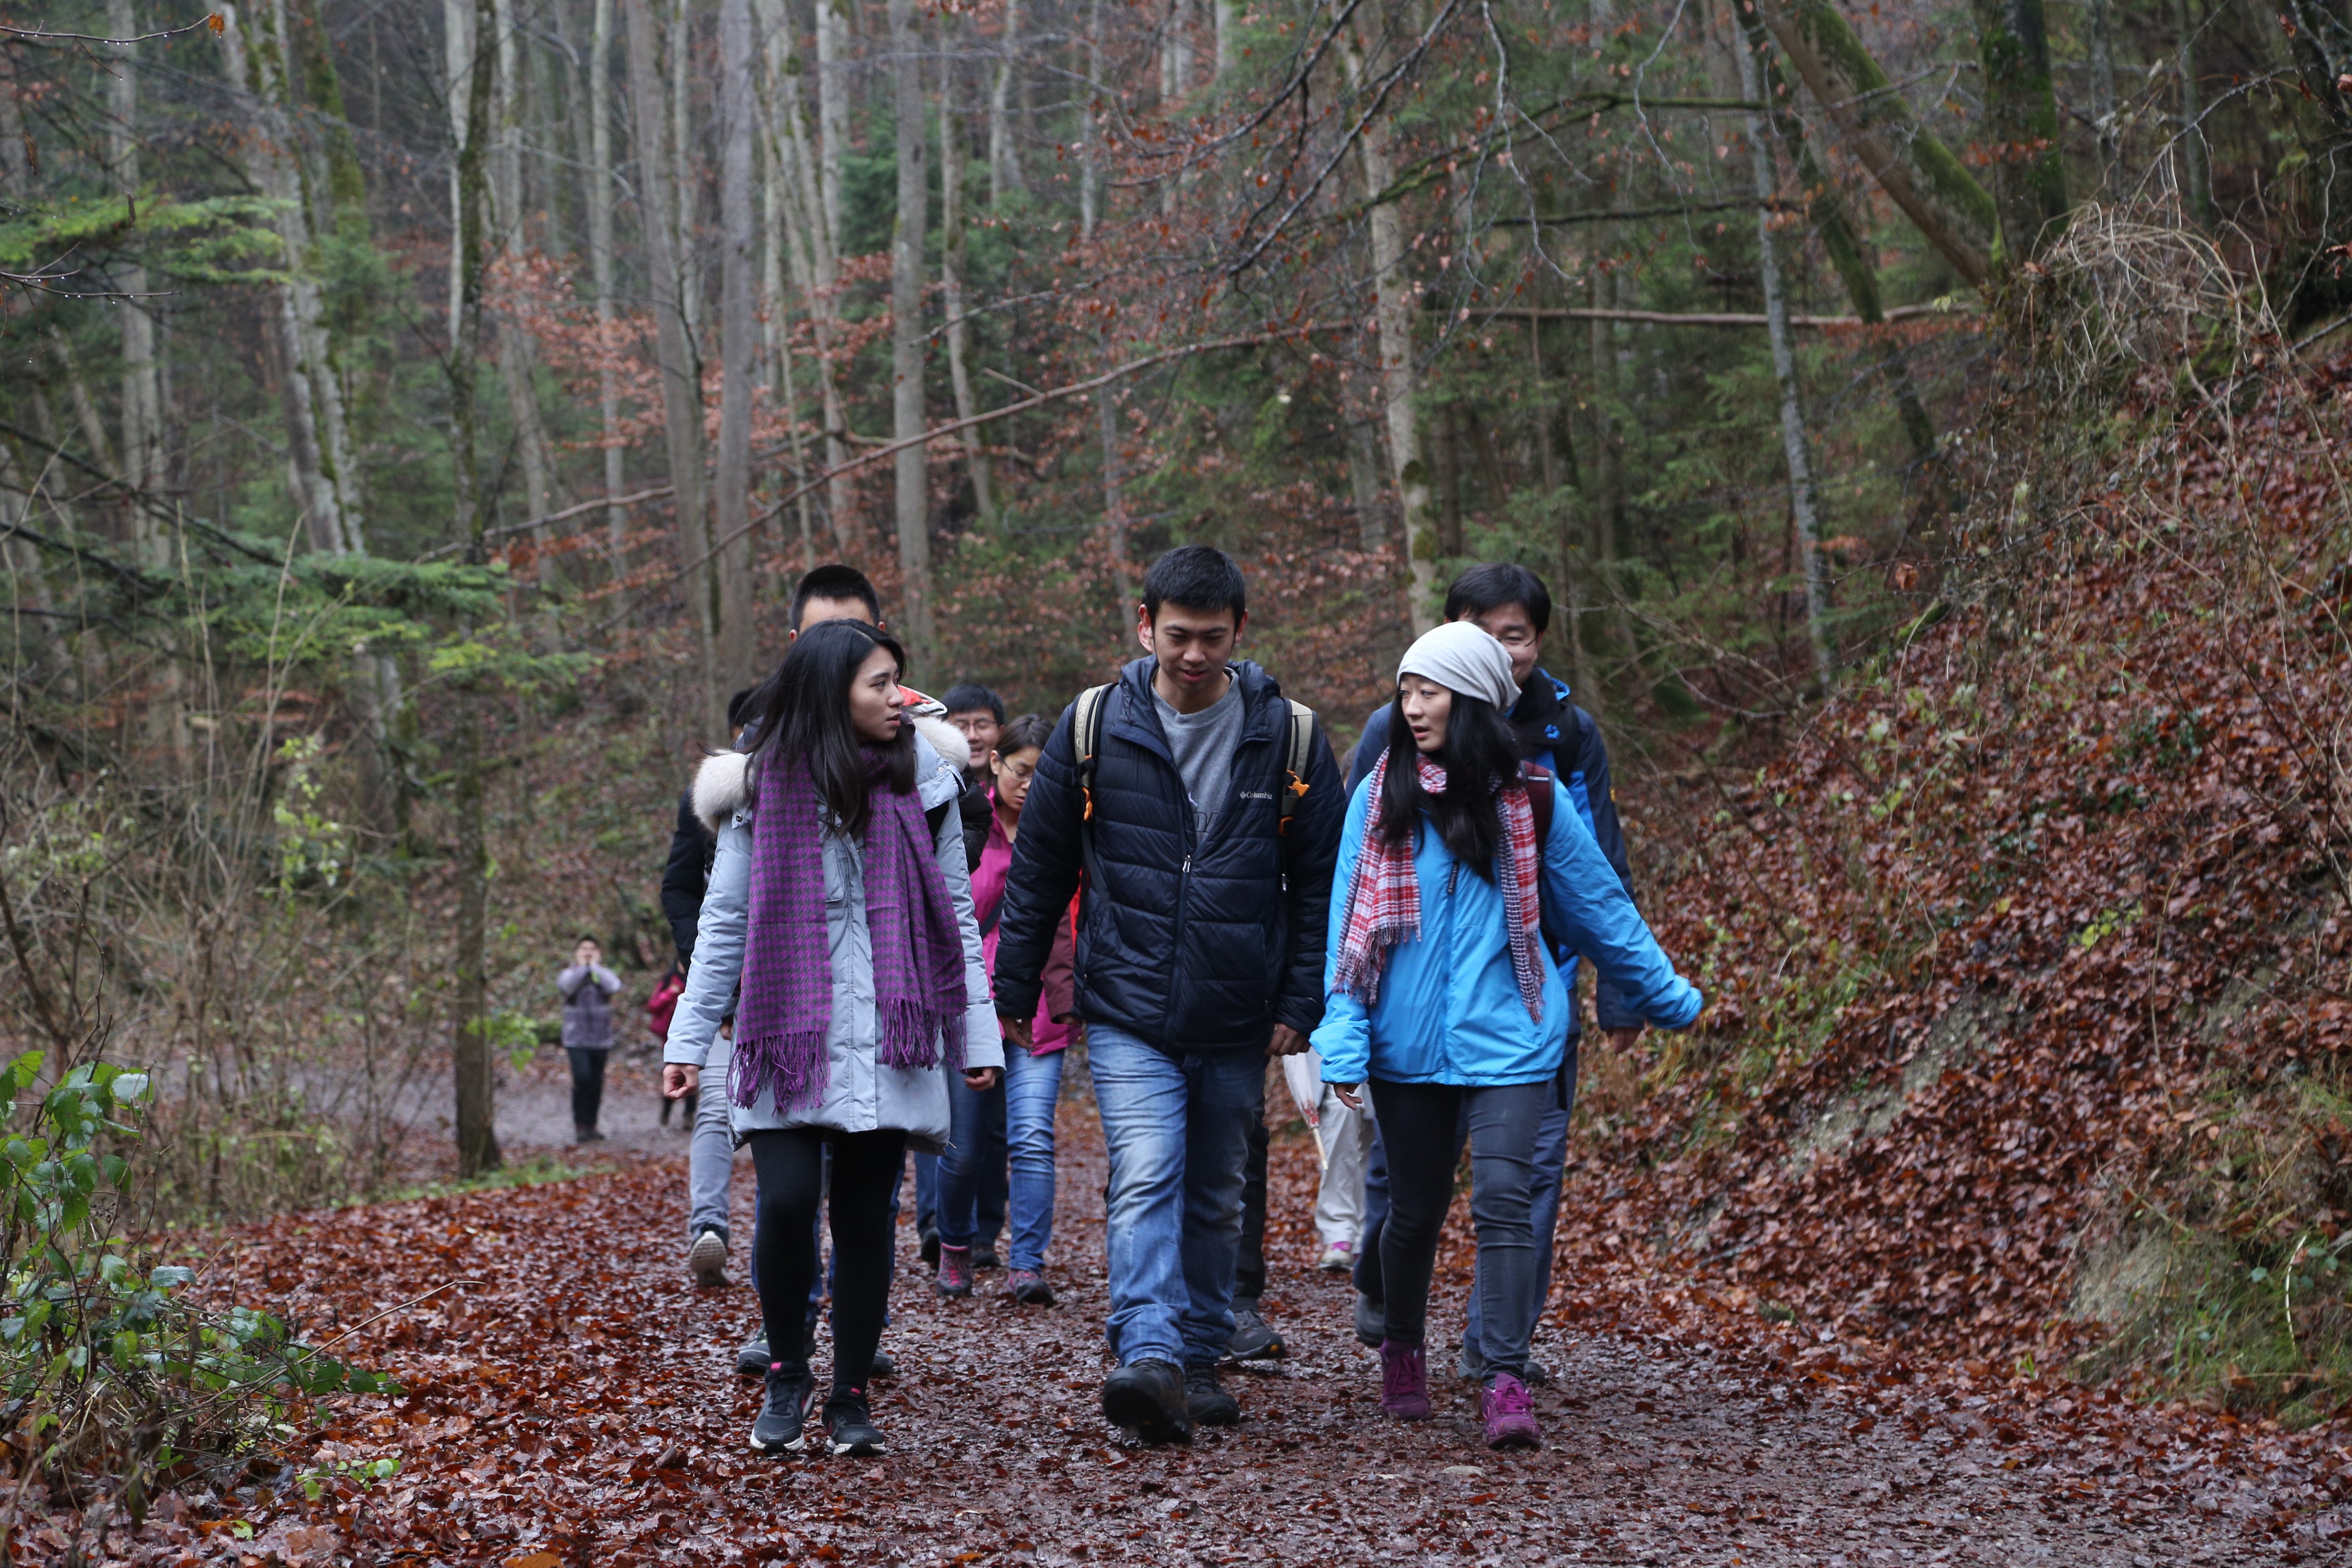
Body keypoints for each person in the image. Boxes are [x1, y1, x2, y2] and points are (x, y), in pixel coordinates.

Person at [1312, 621, 1702, 1450]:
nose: (1412, 706)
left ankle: (1503, 1373)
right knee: (1413, 1214)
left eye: (1431, 690)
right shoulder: (1380, 796)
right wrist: (1342, 1037)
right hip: (1405, 1045)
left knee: (1504, 1204)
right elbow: (1346, 924)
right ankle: (1403, 1350)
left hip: (1514, 1037)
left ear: (1478, 699)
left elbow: (1601, 911)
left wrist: (1663, 992)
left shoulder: (1536, 801)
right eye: (1406, 689)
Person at [994, 545, 1344, 1443]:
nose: (1194, 655)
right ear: (1145, 627)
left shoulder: (1291, 736)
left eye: (1212, 639)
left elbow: (1320, 887)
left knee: (1218, 1189)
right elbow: (1039, 871)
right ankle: (1145, 1353)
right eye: (1178, 636)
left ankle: (1193, 1359)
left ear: (1239, 635)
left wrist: (1300, 1005)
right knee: (1149, 1167)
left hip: (1238, 1009)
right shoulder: (1093, 725)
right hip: (1127, 1003)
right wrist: (1014, 987)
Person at [662, 619, 1004, 1457]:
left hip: (892, 1030)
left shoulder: (927, 783)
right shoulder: (759, 789)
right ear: (831, 694)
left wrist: (979, 1036)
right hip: (790, 1034)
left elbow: (956, 911)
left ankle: (849, 1393)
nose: (903, 699)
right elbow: (725, 918)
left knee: (861, 1219)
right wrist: (687, 1037)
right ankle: (788, 1372)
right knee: (782, 1205)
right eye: (881, 684)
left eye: (899, 681)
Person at [1342, 562, 1649, 1383]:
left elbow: (1600, 877)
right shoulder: (1389, 750)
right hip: (1407, 1020)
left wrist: (1630, 987)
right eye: (1478, 631)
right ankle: (1392, 1307)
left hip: (1527, 999)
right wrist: (1339, 1018)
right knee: (1410, 1195)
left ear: (1535, 642)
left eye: (1511, 633)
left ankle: (1495, 1354)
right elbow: (1352, 894)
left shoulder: (1564, 743)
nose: (1496, 648)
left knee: (1517, 1185)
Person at [934, 713, 1079, 1304]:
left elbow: (1073, 922)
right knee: (964, 1146)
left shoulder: (1067, 832)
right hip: (971, 1008)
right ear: (996, 764)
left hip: (1041, 1012)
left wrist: (1073, 1002)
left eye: (1044, 776)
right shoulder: (967, 822)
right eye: (1022, 771)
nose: (1031, 785)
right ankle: (955, 1247)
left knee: (1032, 1140)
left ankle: (1027, 1263)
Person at [557, 938, 622, 1143]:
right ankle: (580, 1124)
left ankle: (592, 1124)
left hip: (601, 1039)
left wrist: (594, 968)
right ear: (577, 952)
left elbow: (613, 986)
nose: (587, 952)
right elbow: (567, 987)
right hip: (576, 1038)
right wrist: (583, 969)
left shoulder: (602, 974)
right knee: (582, 1078)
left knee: (596, 1082)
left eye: (592, 949)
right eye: (584, 949)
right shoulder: (569, 974)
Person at [647, 962, 689, 1127]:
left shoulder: (699, 979)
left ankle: (689, 1115)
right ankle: (667, 1110)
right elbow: (654, 1006)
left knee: (693, 1074)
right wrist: (671, 992)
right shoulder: (668, 981)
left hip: (692, 1034)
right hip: (671, 1037)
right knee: (674, 1074)